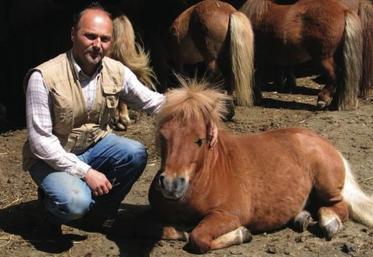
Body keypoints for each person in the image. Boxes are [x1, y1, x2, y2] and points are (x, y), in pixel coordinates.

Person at [22, 2, 217, 237]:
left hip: (94, 146)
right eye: (90, 36)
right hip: (52, 157)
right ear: (73, 34)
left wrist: (202, 115)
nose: (97, 45)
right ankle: (49, 212)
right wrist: (86, 173)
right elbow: (41, 143)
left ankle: (99, 214)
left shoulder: (116, 71)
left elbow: (154, 102)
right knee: (74, 202)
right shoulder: (43, 77)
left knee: (135, 153)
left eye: (104, 39)